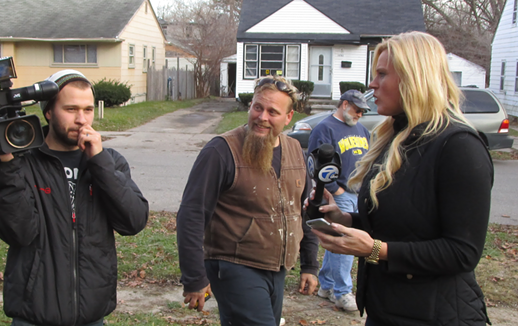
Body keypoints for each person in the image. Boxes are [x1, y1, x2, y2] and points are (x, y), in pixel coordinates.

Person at [311, 31, 493, 325]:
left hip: (438, 315)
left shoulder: (458, 146)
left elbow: (462, 252)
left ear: (414, 78)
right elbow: (402, 226)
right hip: (388, 309)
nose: (372, 84)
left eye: (382, 74)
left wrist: (374, 250)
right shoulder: (395, 138)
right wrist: (347, 220)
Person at [0, 70, 149, 326]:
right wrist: (5, 164)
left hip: (91, 316)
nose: (81, 119)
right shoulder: (23, 163)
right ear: (48, 112)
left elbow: (133, 222)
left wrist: (99, 163)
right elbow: (19, 232)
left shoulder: (109, 161)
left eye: (88, 110)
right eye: (70, 109)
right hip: (34, 315)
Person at [176, 76, 320, 326]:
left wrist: (309, 264)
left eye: (273, 112)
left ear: (288, 118)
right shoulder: (221, 151)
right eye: (257, 107)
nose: (262, 117)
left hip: (277, 268)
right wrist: (194, 277)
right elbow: (191, 214)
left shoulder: (296, 150)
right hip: (234, 265)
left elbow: (304, 211)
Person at [307, 89, 370, 312]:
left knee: (336, 241)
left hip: (358, 194)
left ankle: (327, 285)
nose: (360, 114)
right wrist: (336, 191)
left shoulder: (362, 130)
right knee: (345, 243)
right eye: (357, 109)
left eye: (363, 111)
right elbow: (314, 163)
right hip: (338, 195)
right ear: (344, 105)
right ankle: (342, 293)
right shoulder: (325, 129)